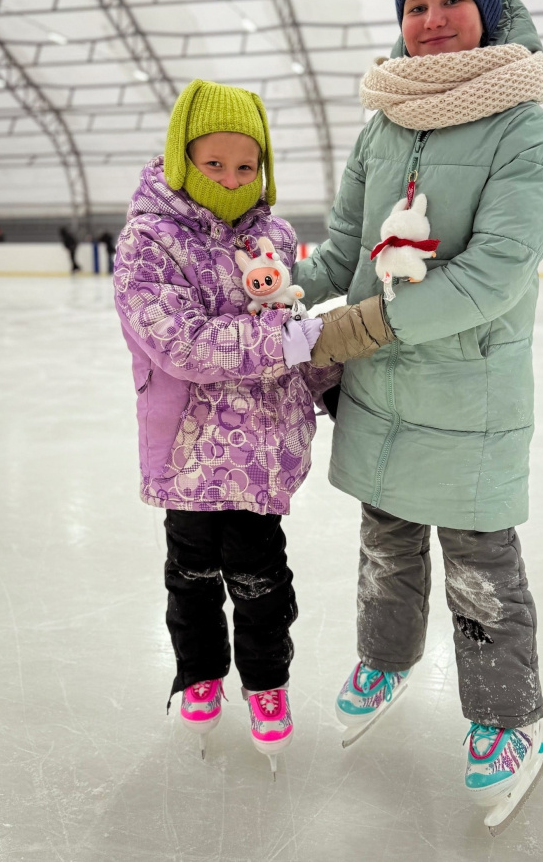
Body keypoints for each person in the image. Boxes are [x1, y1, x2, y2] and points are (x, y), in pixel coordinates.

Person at [294, 0, 543, 822]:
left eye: (451, 1)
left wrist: (373, 323)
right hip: (382, 387)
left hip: (466, 387)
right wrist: (276, 288)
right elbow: (341, 250)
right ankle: (387, 654)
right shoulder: (385, 123)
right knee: (386, 537)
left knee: (480, 561)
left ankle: (509, 719)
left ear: (485, 12)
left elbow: (495, 274)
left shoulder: (525, 129)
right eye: (415, 6)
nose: (433, 19)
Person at [113, 80, 332, 765]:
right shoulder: (149, 241)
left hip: (261, 455)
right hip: (188, 453)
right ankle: (200, 672)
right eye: (215, 165)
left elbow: (291, 322)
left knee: (262, 580)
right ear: (183, 160)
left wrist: (326, 379)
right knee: (192, 574)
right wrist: (280, 343)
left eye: (247, 166)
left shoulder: (276, 234)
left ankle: (267, 683)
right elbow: (177, 342)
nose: (233, 180)